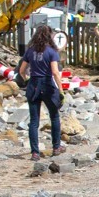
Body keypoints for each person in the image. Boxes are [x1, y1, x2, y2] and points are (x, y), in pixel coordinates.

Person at [17, 25, 63, 161]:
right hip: (47, 84)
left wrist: (26, 81)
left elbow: (21, 70)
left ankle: (35, 153)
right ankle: (56, 147)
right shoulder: (52, 52)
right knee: (54, 116)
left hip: (33, 84)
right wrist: (61, 90)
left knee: (34, 121)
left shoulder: (30, 51)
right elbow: (55, 72)